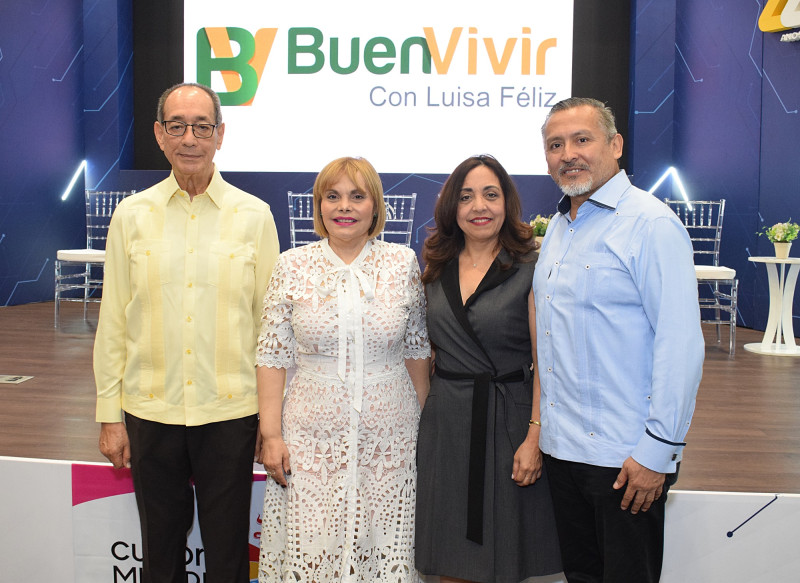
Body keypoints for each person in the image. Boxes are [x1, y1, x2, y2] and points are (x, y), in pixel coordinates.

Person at [94, 82, 280, 583]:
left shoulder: (254, 216)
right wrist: (110, 416)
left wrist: (270, 422)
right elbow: (113, 321)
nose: (189, 138)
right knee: (159, 555)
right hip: (150, 411)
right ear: (159, 134)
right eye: (177, 126)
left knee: (226, 558)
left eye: (202, 126)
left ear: (221, 135)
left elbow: (272, 330)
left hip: (231, 412)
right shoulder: (131, 217)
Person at [534, 97, 705, 582]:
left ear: (616, 145)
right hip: (564, 454)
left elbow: (681, 345)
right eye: (555, 144)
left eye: (582, 140)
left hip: (626, 461)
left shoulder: (650, 224)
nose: (568, 153)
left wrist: (658, 451)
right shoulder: (559, 231)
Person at [255, 156, 431, 582]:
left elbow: (417, 350)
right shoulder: (291, 264)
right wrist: (271, 435)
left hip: (390, 437)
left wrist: (424, 429)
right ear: (319, 206)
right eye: (332, 197)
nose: (344, 207)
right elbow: (272, 356)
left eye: (357, 196)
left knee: (385, 540)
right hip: (311, 436)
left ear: (375, 206)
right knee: (313, 542)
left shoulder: (402, 262)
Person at [416, 155, 562, 583]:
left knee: (503, 560)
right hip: (447, 428)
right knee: (449, 561)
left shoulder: (531, 268)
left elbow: (546, 361)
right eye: (466, 197)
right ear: (452, 208)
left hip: (508, 423)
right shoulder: (435, 268)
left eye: (490, 194)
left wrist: (535, 435)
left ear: (507, 203)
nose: (479, 206)